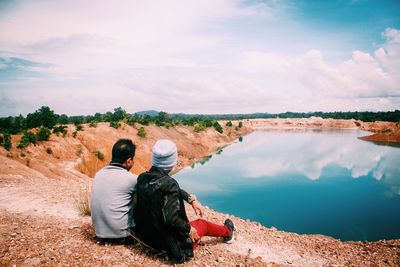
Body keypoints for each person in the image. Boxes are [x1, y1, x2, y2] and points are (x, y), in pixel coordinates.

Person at [134, 139, 235, 263]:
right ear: (172, 161)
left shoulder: (143, 178)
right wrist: (188, 229)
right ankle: (228, 232)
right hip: (172, 247)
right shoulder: (169, 183)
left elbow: (165, 189)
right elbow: (171, 218)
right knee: (203, 224)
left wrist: (190, 199)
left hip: (149, 238)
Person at [90, 138, 203, 245]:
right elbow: (160, 187)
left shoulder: (98, 174)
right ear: (129, 161)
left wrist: (189, 198)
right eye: (133, 159)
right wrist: (190, 200)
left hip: (99, 233)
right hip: (122, 236)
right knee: (143, 195)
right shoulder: (130, 179)